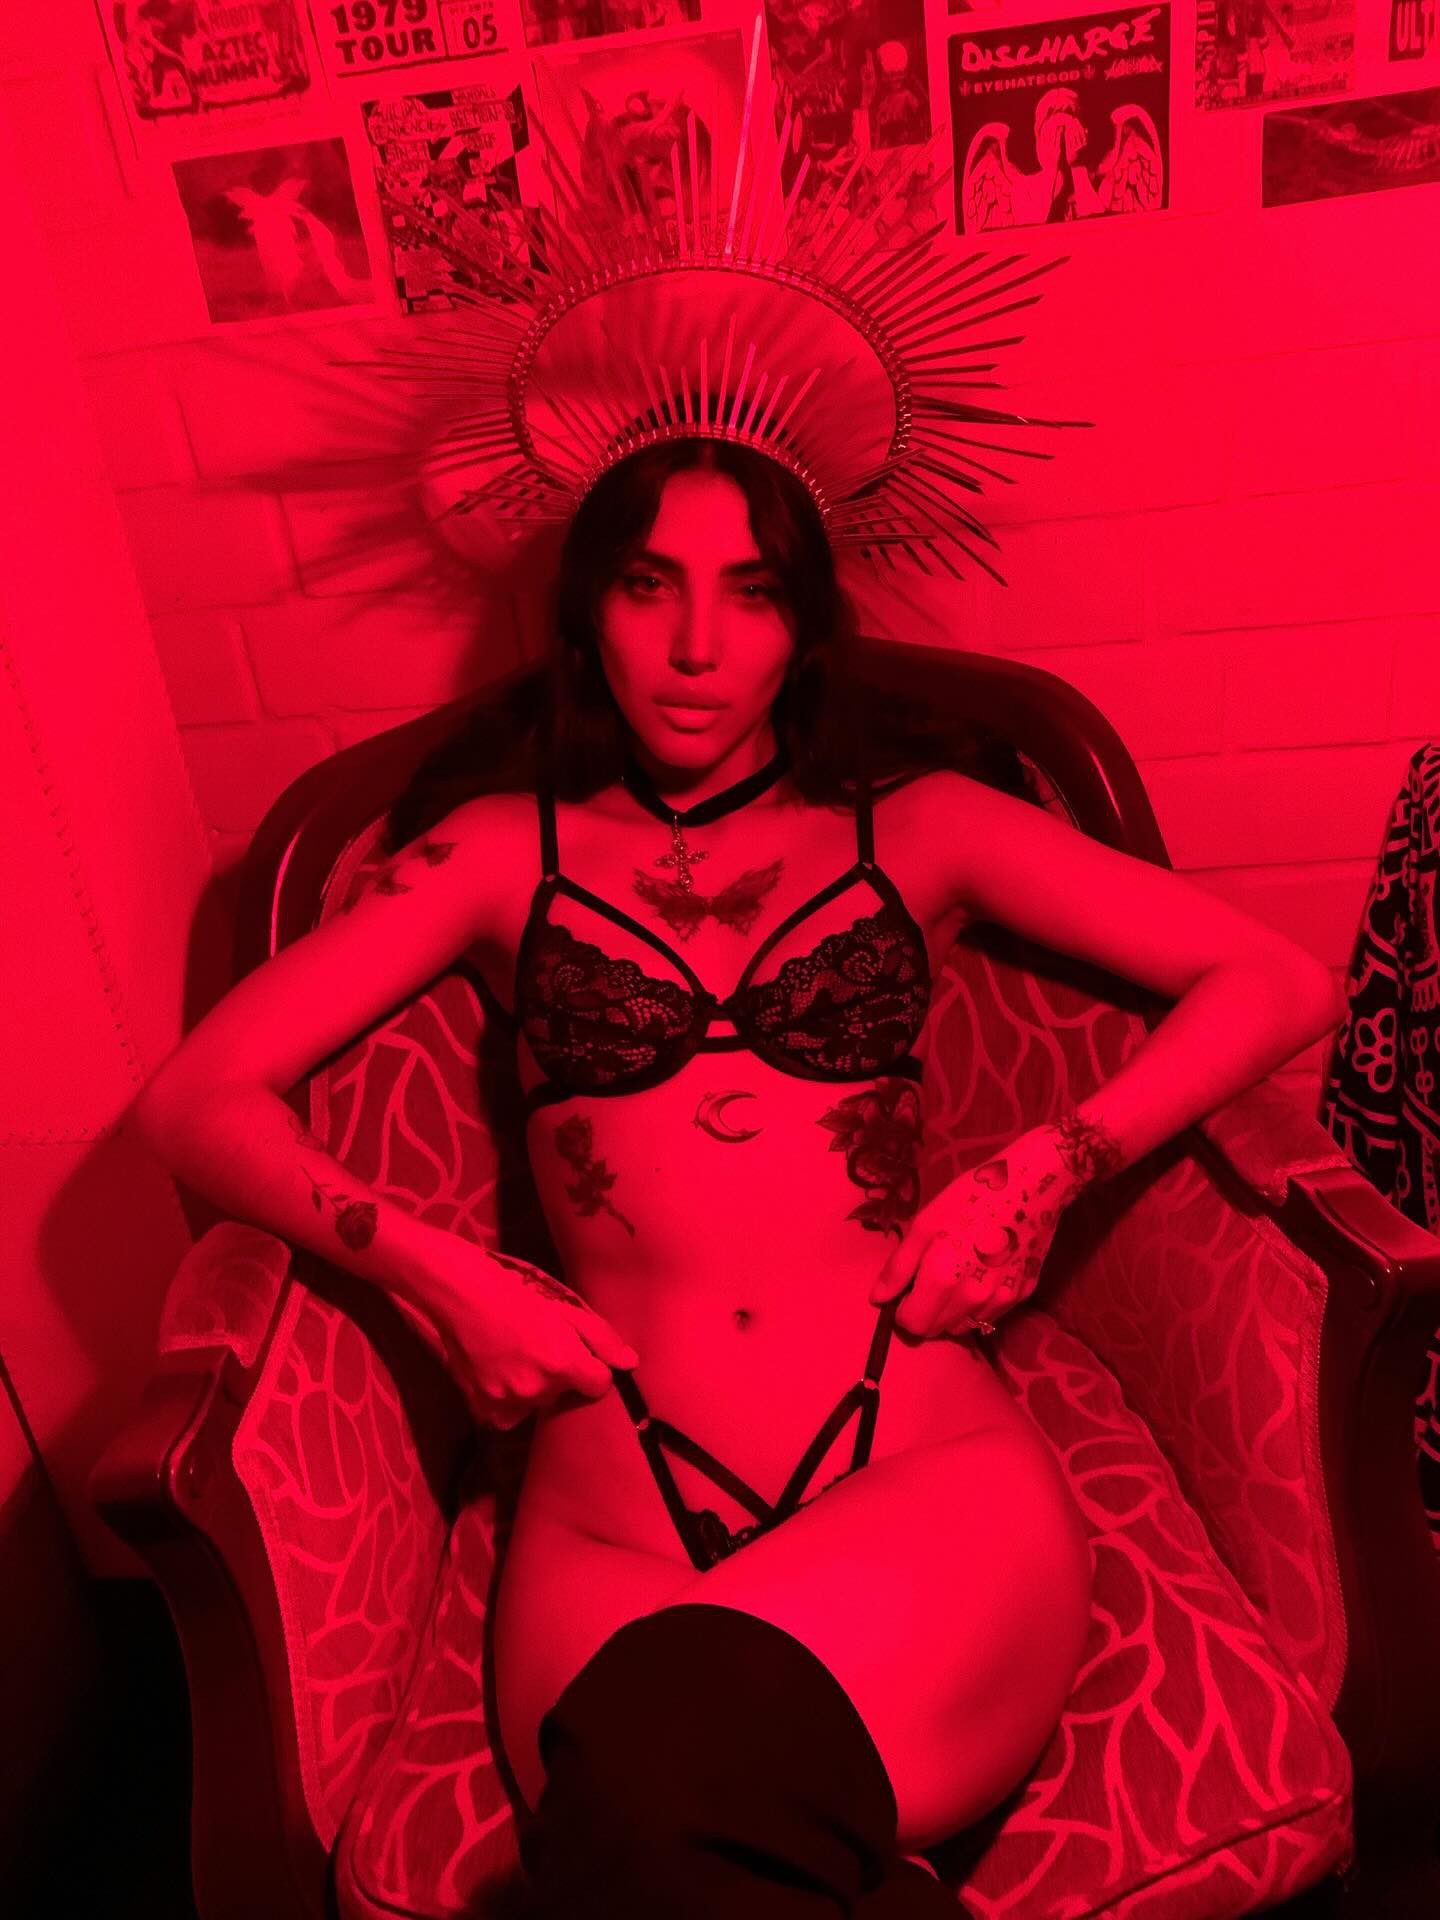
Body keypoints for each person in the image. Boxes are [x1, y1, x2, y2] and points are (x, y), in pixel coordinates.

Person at [132, 427, 1345, 1916]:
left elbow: (1274, 982)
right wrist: (446, 1281)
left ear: (802, 623)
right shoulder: (494, 853)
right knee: (655, 1828)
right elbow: (195, 1101)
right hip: (619, 1512)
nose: (697, 645)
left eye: (751, 592)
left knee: (668, 1808)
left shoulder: (927, 826)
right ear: (588, 610)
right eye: (651, 585)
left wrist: (1044, 1171)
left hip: (911, 1457)